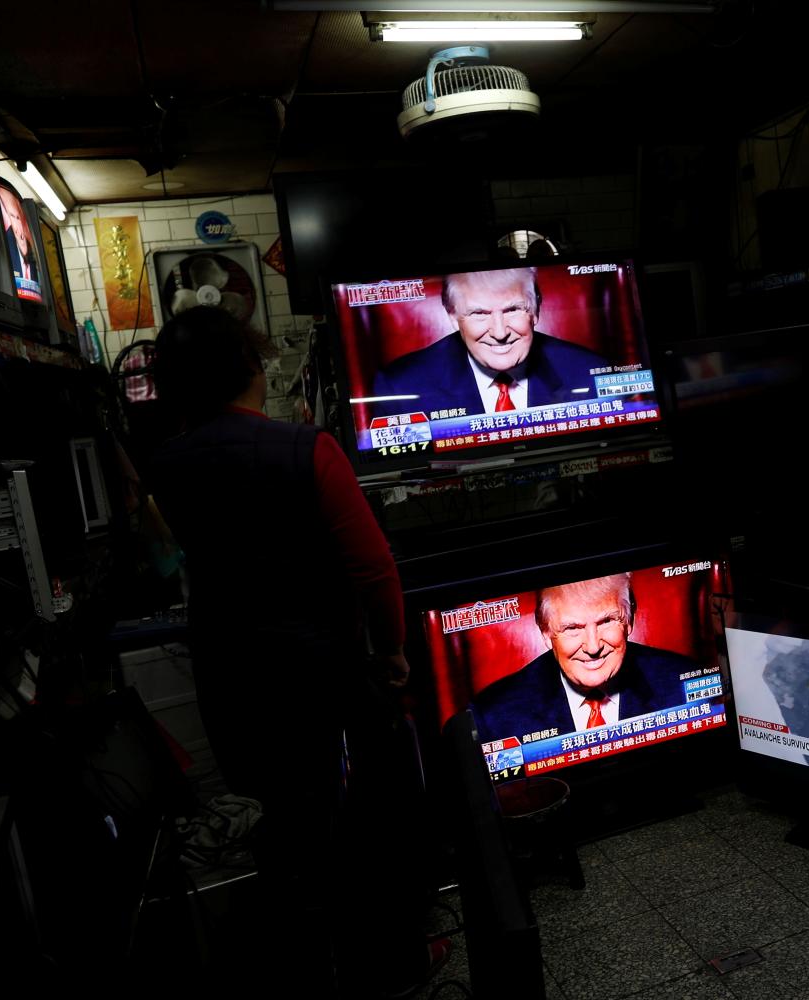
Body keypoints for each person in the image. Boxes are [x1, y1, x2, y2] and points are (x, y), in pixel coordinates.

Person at [148, 306, 444, 998]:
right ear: (250, 367)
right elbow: (372, 567)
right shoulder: (306, 448)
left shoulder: (163, 466)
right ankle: (387, 961)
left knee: (282, 825)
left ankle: (305, 967)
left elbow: (172, 559)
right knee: (366, 822)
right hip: (319, 674)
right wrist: (393, 649)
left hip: (230, 678)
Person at [469, 573, 698, 742]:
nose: (592, 646)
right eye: (572, 628)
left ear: (628, 621)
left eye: (607, 621)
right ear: (546, 633)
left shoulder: (685, 685)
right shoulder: (494, 716)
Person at [372, 266, 608, 417]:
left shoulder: (590, 372)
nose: (499, 332)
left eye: (513, 309)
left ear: (535, 310)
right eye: (479, 313)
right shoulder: (400, 388)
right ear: (453, 317)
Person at [0, 186, 38, 295]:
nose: (16, 227)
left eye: (17, 218)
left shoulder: (34, 255)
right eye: (11, 217)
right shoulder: (5, 251)